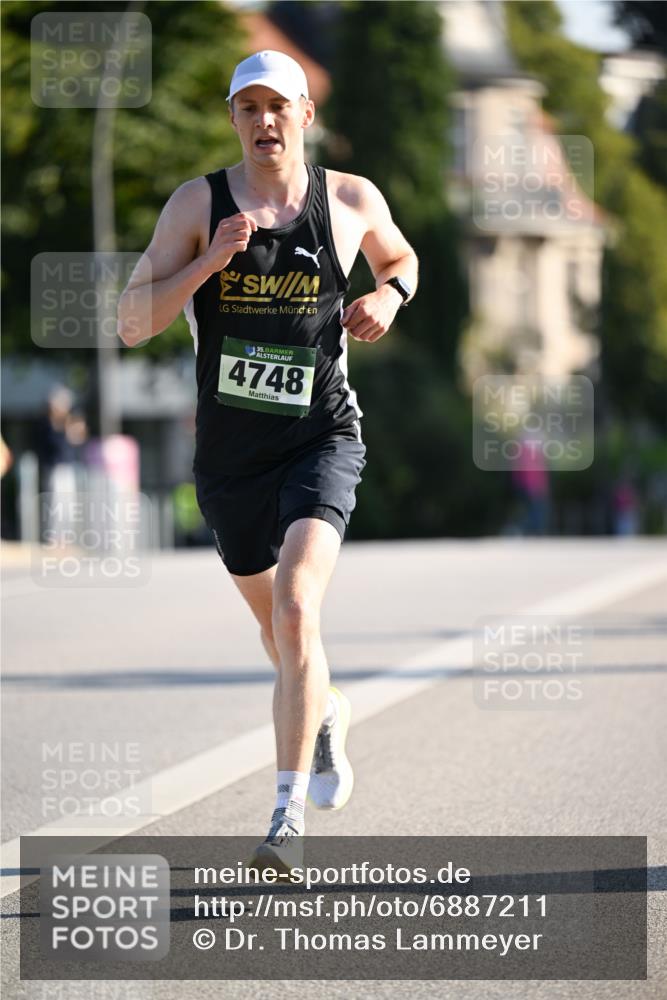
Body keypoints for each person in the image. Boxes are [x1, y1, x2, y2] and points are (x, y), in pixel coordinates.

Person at [118, 50, 418, 873]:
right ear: (232, 120)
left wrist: (387, 297)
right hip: (229, 460)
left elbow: (401, 259)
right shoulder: (197, 205)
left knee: (293, 607)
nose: (264, 122)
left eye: (278, 106)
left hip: (321, 436)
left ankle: (284, 818)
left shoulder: (348, 200)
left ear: (304, 116)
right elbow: (132, 322)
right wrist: (206, 263)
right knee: (276, 629)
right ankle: (323, 710)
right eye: (247, 108)